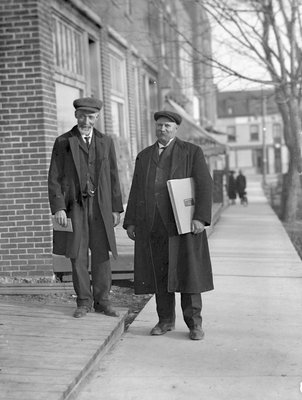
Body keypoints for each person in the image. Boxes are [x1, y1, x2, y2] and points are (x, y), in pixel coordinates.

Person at [123, 110, 213, 341]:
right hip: (153, 226)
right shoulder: (144, 156)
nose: (162, 130)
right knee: (159, 275)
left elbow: (204, 185)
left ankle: (194, 324)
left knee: (189, 275)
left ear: (176, 129)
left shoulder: (191, 152)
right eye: (159, 126)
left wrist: (200, 218)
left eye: (167, 126)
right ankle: (165, 321)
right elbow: (135, 191)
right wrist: (131, 221)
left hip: (183, 225)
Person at [48, 97, 123, 318]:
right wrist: (59, 208)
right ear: (76, 116)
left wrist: (116, 208)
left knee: (101, 254)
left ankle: (103, 300)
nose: (86, 121)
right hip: (75, 207)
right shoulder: (63, 142)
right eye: (82, 116)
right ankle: (83, 301)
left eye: (91, 117)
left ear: (97, 118)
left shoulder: (105, 141)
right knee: (77, 255)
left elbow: (113, 176)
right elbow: (54, 178)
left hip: (100, 208)